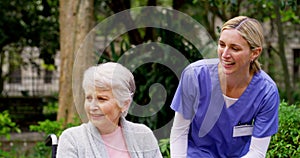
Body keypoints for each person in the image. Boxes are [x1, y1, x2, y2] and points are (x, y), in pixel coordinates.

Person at [170, 16, 279, 158]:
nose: (225, 54)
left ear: (255, 53)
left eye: (235, 48)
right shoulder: (195, 76)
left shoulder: (266, 92)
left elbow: (257, 152)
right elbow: (179, 133)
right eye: (222, 45)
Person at [57, 62, 163, 158]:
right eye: (88, 98)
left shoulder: (143, 135)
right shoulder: (71, 139)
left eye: (101, 99)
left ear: (124, 104)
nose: (92, 106)